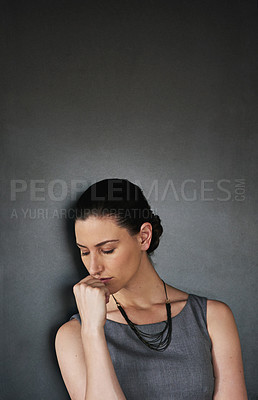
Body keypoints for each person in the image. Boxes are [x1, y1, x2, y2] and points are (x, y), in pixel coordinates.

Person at [55, 178, 248, 400]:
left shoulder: (212, 317)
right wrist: (92, 331)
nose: (93, 268)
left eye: (107, 250)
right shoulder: (74, 334)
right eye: (85, 252)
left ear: (144, 237)